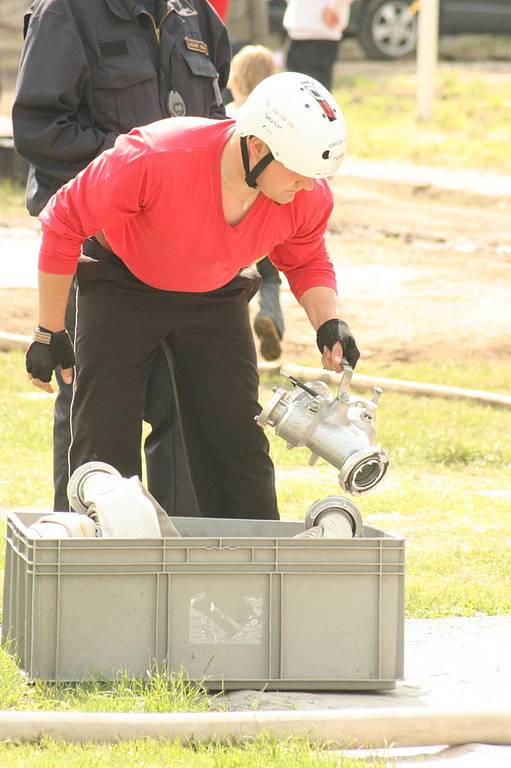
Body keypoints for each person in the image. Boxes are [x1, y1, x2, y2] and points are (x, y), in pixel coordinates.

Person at [24, 72, 361, 522]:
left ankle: (251, 572)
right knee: (103, 432)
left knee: (236, 437)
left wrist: (328, 322)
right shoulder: (154, 157)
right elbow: (64, 221)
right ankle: (101, 563)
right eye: (300, 174)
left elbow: (305, 258)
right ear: (258, 147)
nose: (309, 186)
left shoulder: (306, 194)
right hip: (122, 283)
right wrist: (50, 331)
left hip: (215, 295)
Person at [12, 0, 230, 514]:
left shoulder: (195, 14)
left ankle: (181, 570)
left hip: (184, 251)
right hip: (97, 252)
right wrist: (141, 168)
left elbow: (222, 127)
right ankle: (87, 562)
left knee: (185, 410)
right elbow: (39, 131)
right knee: (97, 418)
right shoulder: (66, 12)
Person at [225, 44, 284, 361]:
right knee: (270, 276)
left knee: (233, 276)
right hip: (269, 216)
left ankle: (230, 323)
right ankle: (271, 317)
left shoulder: (227, 115)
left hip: (237, 216)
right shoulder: (275, 120)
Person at [283, 0, 353, 90]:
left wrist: (335, 7)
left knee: (317, 96)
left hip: (322, 33)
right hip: (296, 31)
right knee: (293, 93)